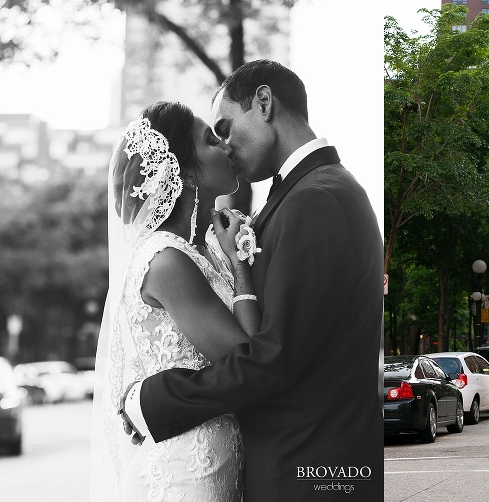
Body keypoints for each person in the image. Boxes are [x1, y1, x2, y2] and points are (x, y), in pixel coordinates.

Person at [119, 60, 384, 501]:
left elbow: (270, 358)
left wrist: (155, 400)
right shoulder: (305, 194)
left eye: (224, 127)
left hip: (310, 470)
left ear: (263, 103)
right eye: (213, 137)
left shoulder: (314, 199)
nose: (225, 145)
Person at [90, 101, 261, 501]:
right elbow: (248, 360)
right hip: (183, 474)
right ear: (183, 172)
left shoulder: (201, 252)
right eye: (210, 140)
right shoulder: (166, 260)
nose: (225, 145)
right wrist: (241, 269)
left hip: (218, 464)